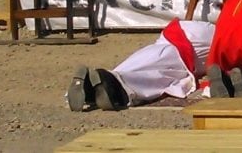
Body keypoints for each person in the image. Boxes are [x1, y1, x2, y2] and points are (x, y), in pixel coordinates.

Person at [67, 19, 215, 112]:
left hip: (187, 31)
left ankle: (93, 85)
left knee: (149, 60)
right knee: (164, 74)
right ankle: (114, 85)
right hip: (201, 43)